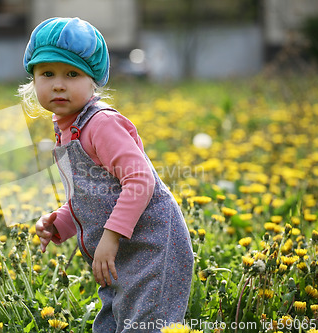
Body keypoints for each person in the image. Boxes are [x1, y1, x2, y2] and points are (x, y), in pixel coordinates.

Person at [20, 17, 194, 332]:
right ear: (33, 80)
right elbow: (98, 195)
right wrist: (62, 220)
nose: (59, 83)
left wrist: (111, 237)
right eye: (47, 73)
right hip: (122, 255)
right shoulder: (67, 131)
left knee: (145, 325)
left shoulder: (100, 124)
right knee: (111, 324)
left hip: (153, 247)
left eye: (72, 73)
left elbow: (140, 181)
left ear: (93, 81)